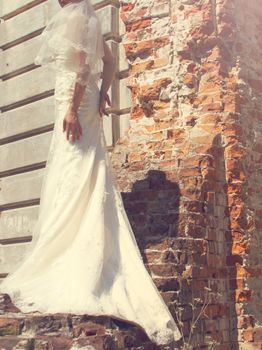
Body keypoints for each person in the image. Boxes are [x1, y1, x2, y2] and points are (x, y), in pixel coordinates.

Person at [0, 0, 182, 346]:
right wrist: (103, 95)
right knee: (85, 170)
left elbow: (83, 68)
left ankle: (68, 258)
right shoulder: (93, 17)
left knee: (72, 171)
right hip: (84, 102)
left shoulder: (74, 16)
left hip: (73, 102)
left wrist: (72, 107)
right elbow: (110, 61)